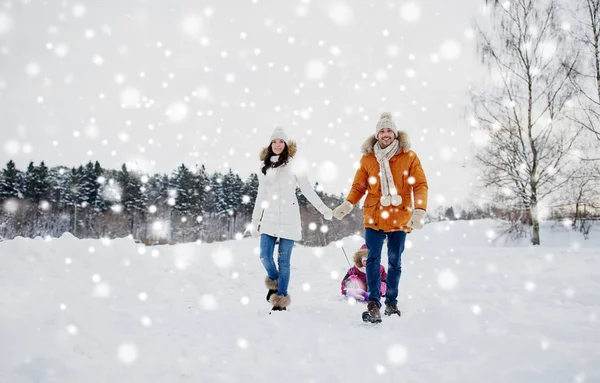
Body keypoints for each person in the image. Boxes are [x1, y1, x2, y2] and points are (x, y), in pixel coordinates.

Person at [333, 112, 428, 323]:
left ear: (395, 133)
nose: (385, 134)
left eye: (389, 130)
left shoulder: (409, 156)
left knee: (395, 261)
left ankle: (391, 303)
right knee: (372, 260)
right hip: (374, 215)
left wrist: (419, 210)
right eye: (382, 131)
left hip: (399, 216)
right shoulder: (368, 158)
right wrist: (348, 203)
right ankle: (374, 304)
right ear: (377, 134)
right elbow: (359, 186)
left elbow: (420, 185)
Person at [249, 127, 333, 311]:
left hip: (290, 218)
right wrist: (255, 222)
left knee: (284, 260)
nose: (278, 145)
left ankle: (281, 298)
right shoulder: (264, 168)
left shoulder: (295, 165)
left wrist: (323, 209)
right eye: (274, 141)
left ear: (285, 145)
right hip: (269, 218)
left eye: (281, 141)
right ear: (270, 145)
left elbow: (307, 190)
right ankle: (276, 282)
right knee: (264, 256)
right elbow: (260, 196)